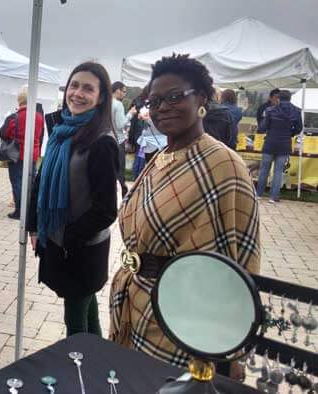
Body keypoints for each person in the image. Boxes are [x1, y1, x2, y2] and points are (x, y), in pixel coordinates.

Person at [109, 54, 260, 382]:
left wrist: (235, 348)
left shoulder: (223, 164)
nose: (163, 107)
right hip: (138, 308)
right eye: (155, 100)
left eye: (175, 96)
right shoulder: (161, 157)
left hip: (190, 321)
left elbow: (243, 260)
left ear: (202, 99)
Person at [26, 62, 119, 337]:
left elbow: (106, 211)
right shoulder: (60, 132)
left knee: (76, 325)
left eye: (88, 88)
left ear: (101, 98)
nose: (77, 93)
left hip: (82, 250)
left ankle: (79, 371)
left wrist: (67, 238)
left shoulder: (102, 142)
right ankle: (98, 367)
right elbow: (41, 181)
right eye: (74, 85)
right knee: (86, 312)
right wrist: (34, 225)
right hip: (61, 244)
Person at [0, 86, 44, 220]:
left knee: (17, 182)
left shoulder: (15, 117)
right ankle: (31, 209)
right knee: (31, 182)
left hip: (17, 155)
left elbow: (4, 133)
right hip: (33, 154)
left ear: (19, 99)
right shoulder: (38, 116)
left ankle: (20, 211)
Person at [256, 89, 303, 203]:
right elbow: (299, 128)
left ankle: (258, 195)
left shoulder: (270, 110)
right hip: (285, 144)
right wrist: (290, 133)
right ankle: (273, 198)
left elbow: (262, 128)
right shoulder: (296, 111)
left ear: (279, 98)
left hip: (270, 143)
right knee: (278, 171)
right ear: (290, 98)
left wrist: (264, 127)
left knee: (264, 170)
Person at [111, 81, 136, 195]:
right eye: (124, 91)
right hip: (118, 141)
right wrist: (130, 113)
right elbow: (121, 125)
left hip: (106, 140)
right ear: (117, 90)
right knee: (119, 171)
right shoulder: (118, 104)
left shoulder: (105, 102)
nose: (125, 94)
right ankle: (123, 195)